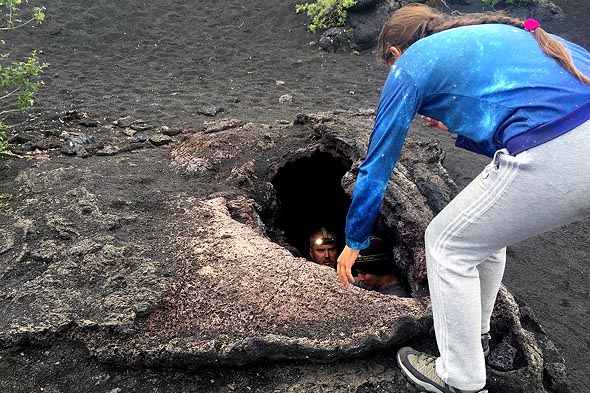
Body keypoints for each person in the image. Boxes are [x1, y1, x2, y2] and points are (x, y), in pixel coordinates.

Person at [336, 4, 590, 393]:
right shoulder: (496, 35)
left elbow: (378, 162)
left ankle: (460, 377)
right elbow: (524, 118)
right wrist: (456, 123)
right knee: (481, 238)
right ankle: (477, 339)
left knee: (445, 244)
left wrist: (355, 240)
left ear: (394, 53)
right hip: (568, 142)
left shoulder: (411, 64)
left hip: (562, 152)